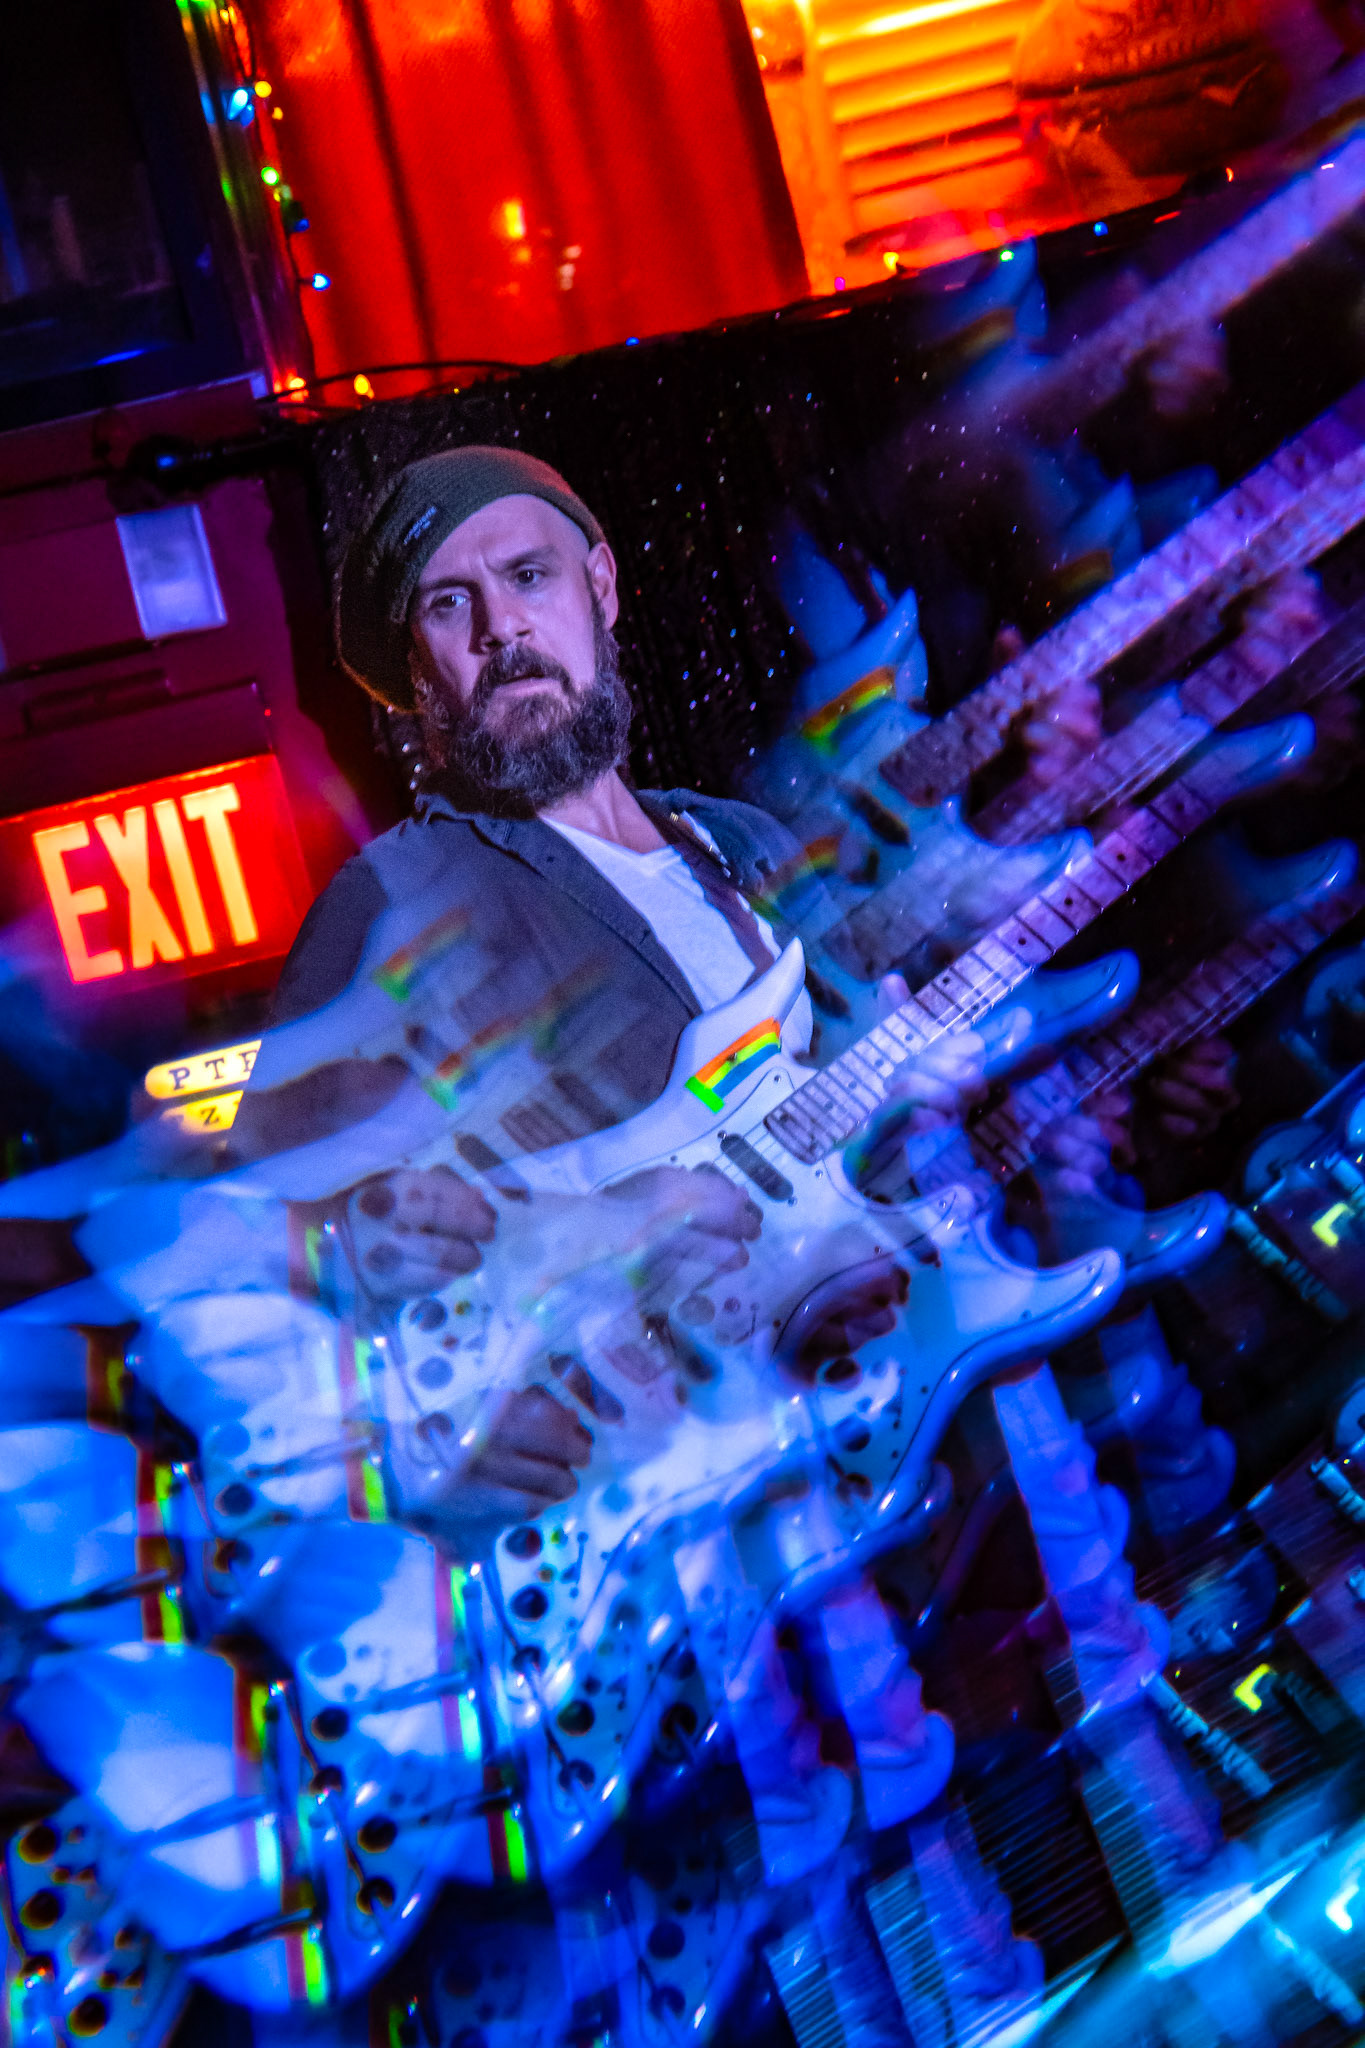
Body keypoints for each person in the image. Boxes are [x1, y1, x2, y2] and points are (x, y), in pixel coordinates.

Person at [239, 444, 985, 1524]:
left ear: (600, 587)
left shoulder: (743, 844)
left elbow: (858, 1148)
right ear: (416, 677)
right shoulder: (400, 899)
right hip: (656, 1515)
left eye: (527, 576)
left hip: (877, 1436)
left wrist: (936, 1106)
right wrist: (580, 1236)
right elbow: (271, 1258)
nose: (501, 628)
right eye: (450, 605)